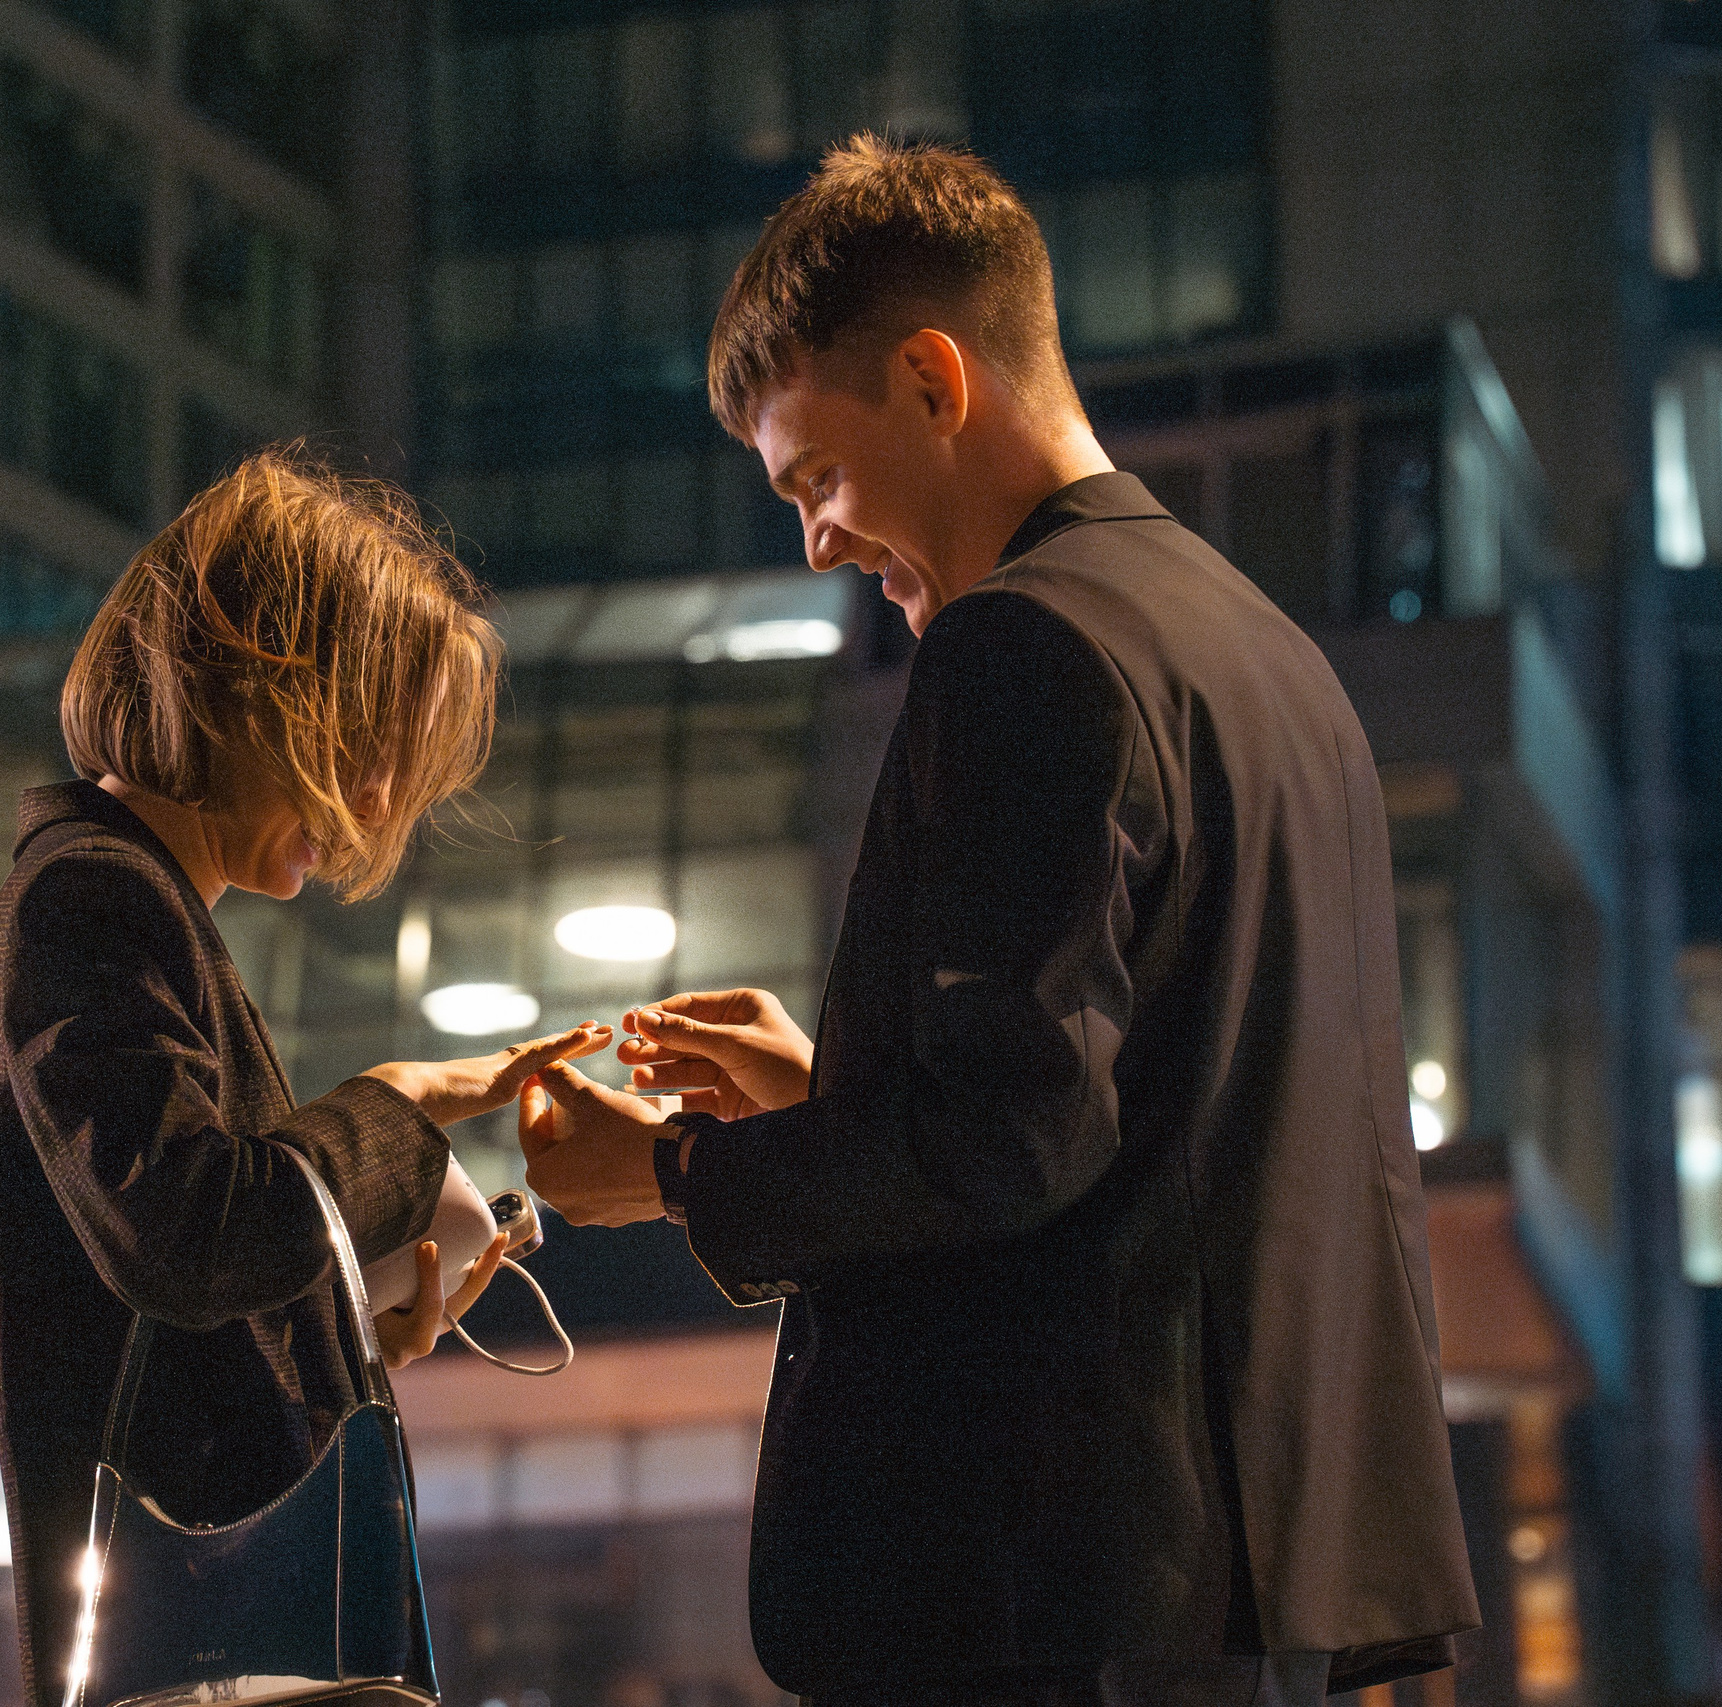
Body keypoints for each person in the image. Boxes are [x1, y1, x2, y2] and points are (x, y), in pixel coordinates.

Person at [519, 139, 1480, 1707]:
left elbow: (1014, 1136)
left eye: (814, 477)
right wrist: (839, 1096)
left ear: (931, 379)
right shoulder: (1272, 662)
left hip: (1060, 1578)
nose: (818, 540)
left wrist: (675, 1168)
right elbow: (1156, 1109)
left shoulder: (1020, 646)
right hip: (1253, 1564)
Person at [0, 450, 609, 1706]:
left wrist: (349, 1319)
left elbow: (180, 1257)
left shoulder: (123, 896)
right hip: (209, 1649)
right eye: (362, 743)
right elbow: (186, 1233)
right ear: (251, 688)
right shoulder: (92, 896)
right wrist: (400, 1116)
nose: (372, 801)